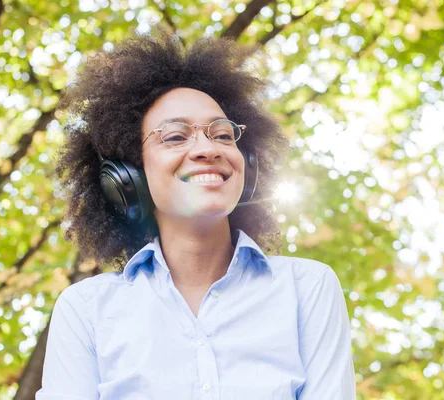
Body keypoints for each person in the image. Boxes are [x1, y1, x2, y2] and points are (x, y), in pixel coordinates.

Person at [36, 29, 355, 400]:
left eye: (222, 135)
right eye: (175, 137)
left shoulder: (308, 289)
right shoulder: (85, 311)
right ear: (127, 177)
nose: (207, 148)